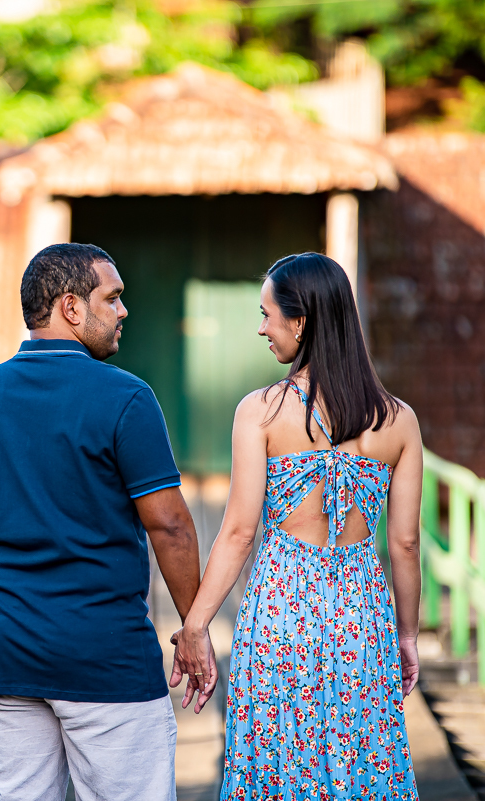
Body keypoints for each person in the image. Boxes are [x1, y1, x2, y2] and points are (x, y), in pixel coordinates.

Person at [0, 243, 214, 801]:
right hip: (105, 661)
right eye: (111, 298)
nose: (123, 311)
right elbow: (171, 527)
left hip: (4, 657)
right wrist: (194, 628)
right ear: (70, 307)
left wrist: (8, 616)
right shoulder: (127, 399)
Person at [174, 252, 422, 799]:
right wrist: (406, 635)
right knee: (362, 761)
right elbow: (404, 544)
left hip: (280, 619)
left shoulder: (259, 412)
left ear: (301, 321)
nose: (261, 327)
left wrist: (195, 626)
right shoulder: (399, 420)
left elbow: (238, 531)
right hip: (364, 619)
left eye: (267, 314)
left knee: (279, 764)